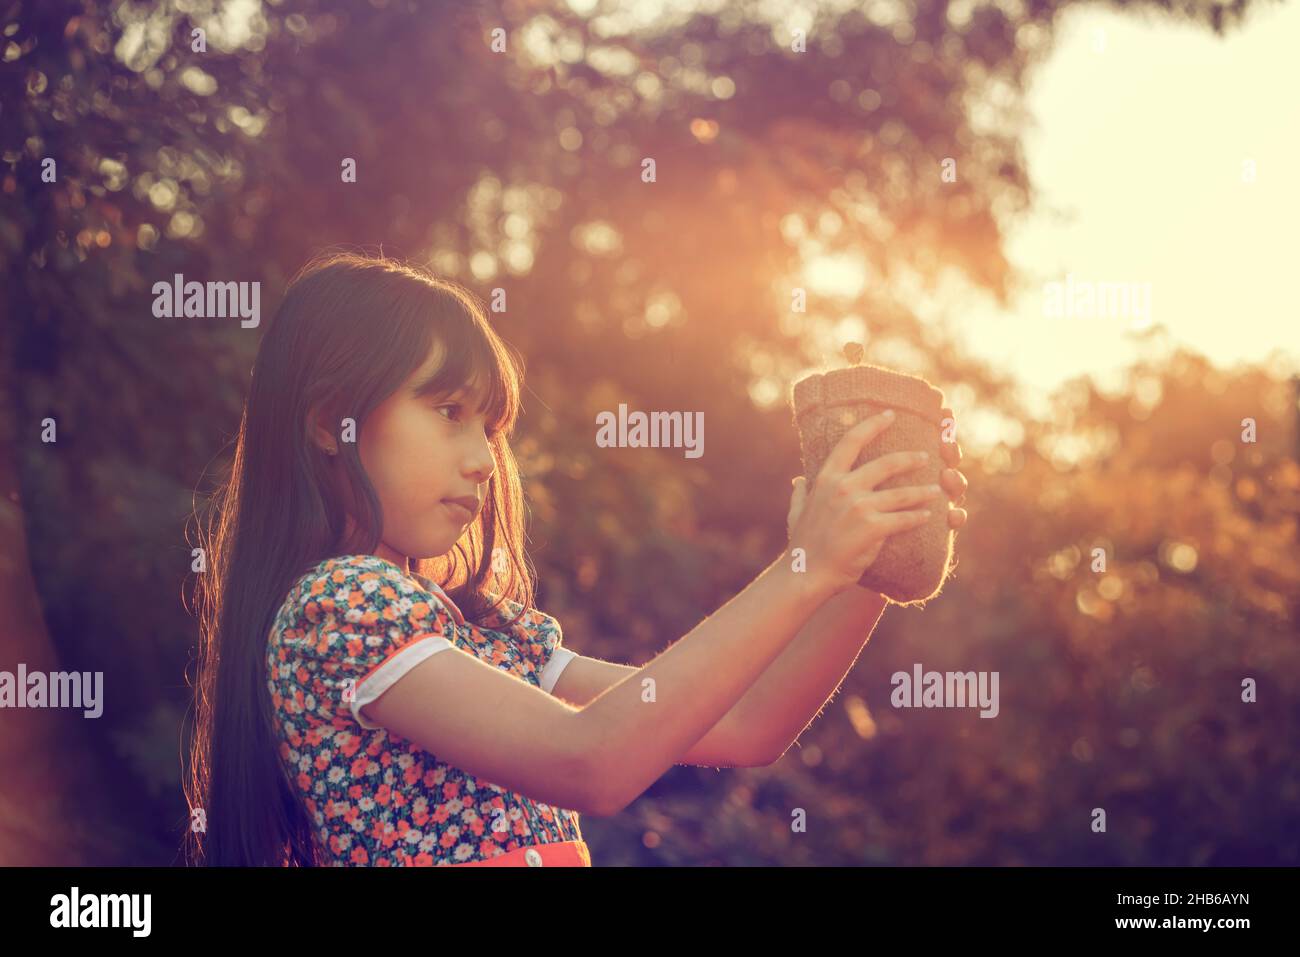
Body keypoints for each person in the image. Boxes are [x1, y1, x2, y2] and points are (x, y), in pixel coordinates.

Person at [183, 252, 968, 866]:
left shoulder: (485, 632)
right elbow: (591, 760)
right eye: (448, 412)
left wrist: (868, 557)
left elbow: (747, 724)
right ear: (331, 422)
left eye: (487, 427)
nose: (482, 461)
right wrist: (806, 566)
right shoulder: (342, 605)